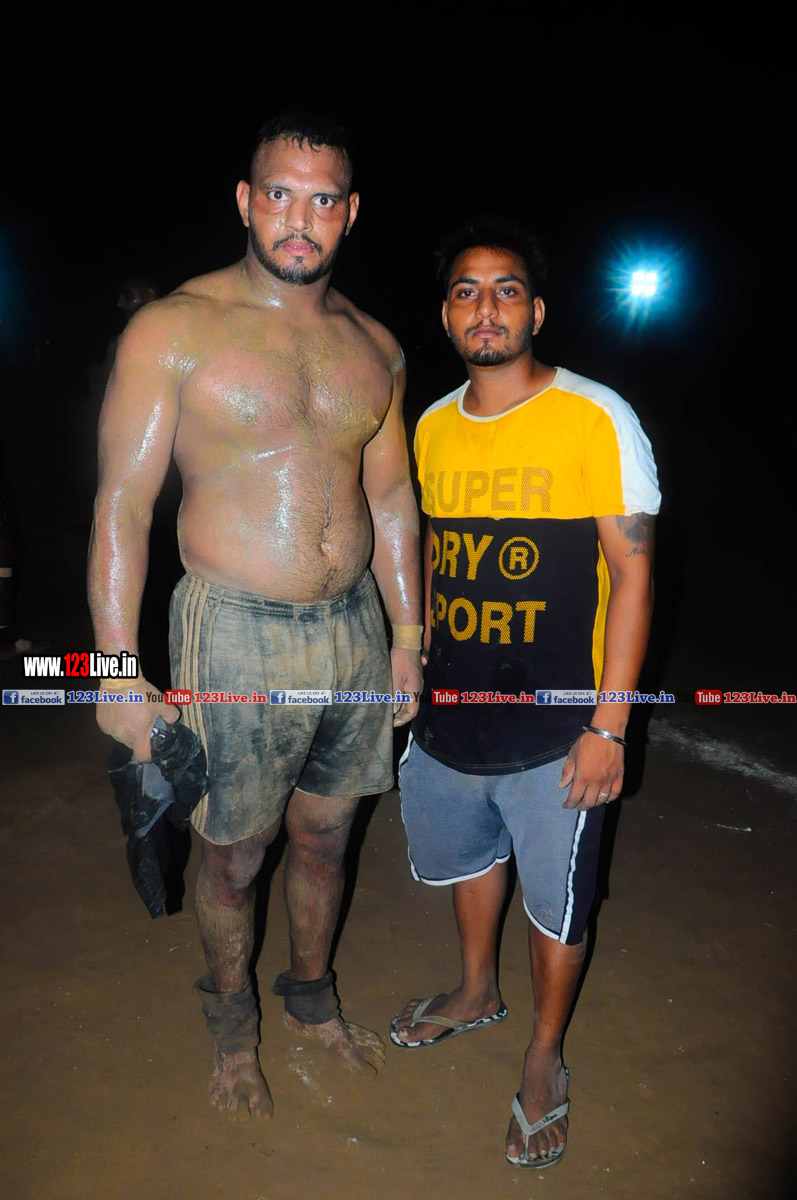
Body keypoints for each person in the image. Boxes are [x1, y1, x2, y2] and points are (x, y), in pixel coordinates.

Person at [88, 112, 423, 1121]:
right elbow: (122, 503)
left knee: (327, 838)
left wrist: (408, 639)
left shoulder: (376, 346)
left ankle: (311, 1000)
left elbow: (392, 499)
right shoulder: (174, 329)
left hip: (353, 629)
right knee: (234, 853)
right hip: (230, 627)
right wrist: (115, 672)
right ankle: (232, 1029)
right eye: (278, 193)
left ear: (350, 214)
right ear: (244, 200)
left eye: (322, 200)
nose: (298, 219)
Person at [390, 217, 660, 1169]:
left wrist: (608, 727)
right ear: (445, 316)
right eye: (465, 291)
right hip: (453, 712)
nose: (485, 307)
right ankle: (475, 991)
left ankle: (544, 1053)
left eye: (505, 289)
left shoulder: (595, 416)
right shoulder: (429, 425)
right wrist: (414, 657)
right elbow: (433, 550)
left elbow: (633, 576)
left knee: (557, 905)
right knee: (469, 858)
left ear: (536, 311)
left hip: (558, 725)